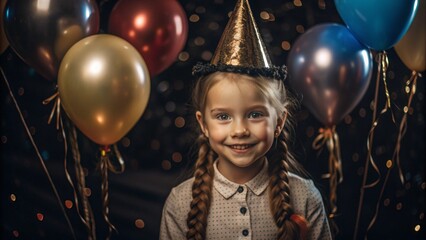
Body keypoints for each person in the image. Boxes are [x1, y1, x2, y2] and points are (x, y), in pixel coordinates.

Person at [160, 0, 332, 239]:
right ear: (203, 124)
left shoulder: (304, 197)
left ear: (279, 122)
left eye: (254, 114)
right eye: (223, 116)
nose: (239, 130)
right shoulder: (181, 203)